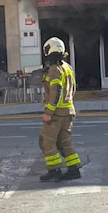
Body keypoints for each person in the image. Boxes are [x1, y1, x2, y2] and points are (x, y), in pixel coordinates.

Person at [39, 37, 82, 183]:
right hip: (69, 110)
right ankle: (74, 169)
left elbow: (56, 92)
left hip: (56, 114)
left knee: (46, 141)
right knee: (64, 141)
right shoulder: (67, 67)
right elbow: (73, 88)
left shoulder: (54, 69)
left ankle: (54, 170)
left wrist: (48, 112)